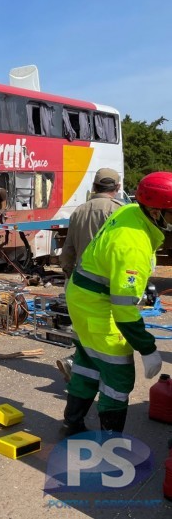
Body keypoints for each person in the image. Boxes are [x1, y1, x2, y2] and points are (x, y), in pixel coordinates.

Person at [61, 171, 171, 436]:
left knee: (88, 363)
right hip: (99, 308)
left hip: (83, 298)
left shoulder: (132, 211)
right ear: (155, 212)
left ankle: (72, 424)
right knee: (118, 377)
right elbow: (123, 309)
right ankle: (110, 445)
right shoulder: (133, 245)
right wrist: (147, 349)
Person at [55, 168, 123, 381]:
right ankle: (92, 370)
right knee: (108, 333)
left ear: (94, 187)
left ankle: (79, 365)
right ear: (118, 188)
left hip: (80, 281)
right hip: (108, 283)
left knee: (83, 330)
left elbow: (68, 249)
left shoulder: (79, 211)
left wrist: (68, 274)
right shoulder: (119, 212)